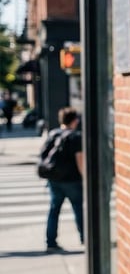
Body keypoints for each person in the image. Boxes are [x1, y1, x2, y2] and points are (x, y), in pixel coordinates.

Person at [42, 107, 85, 253]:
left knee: (54, 210)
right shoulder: (75, 137)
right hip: (72, 180)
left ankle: (51, 241)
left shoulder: (53, 134)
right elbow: (80, 160)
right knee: (78, 209)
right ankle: (85, 237)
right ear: (74, 121)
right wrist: (84, 177)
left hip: (54, 180)